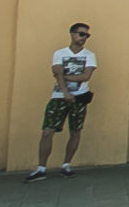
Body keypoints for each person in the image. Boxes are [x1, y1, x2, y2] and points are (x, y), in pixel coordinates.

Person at [25, 22, 96, 182]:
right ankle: (41, 168)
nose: (84, 38)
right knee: (47, 131)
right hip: (58, 97)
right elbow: (57, 73)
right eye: (81, 34)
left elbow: (85, 76)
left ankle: (66, 165)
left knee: (75, 131)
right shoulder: (60, 53)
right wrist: (65, 92)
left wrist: (64, 76)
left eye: (87, 35)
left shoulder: (89, 55)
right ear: (72, 34)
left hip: (79, 97)